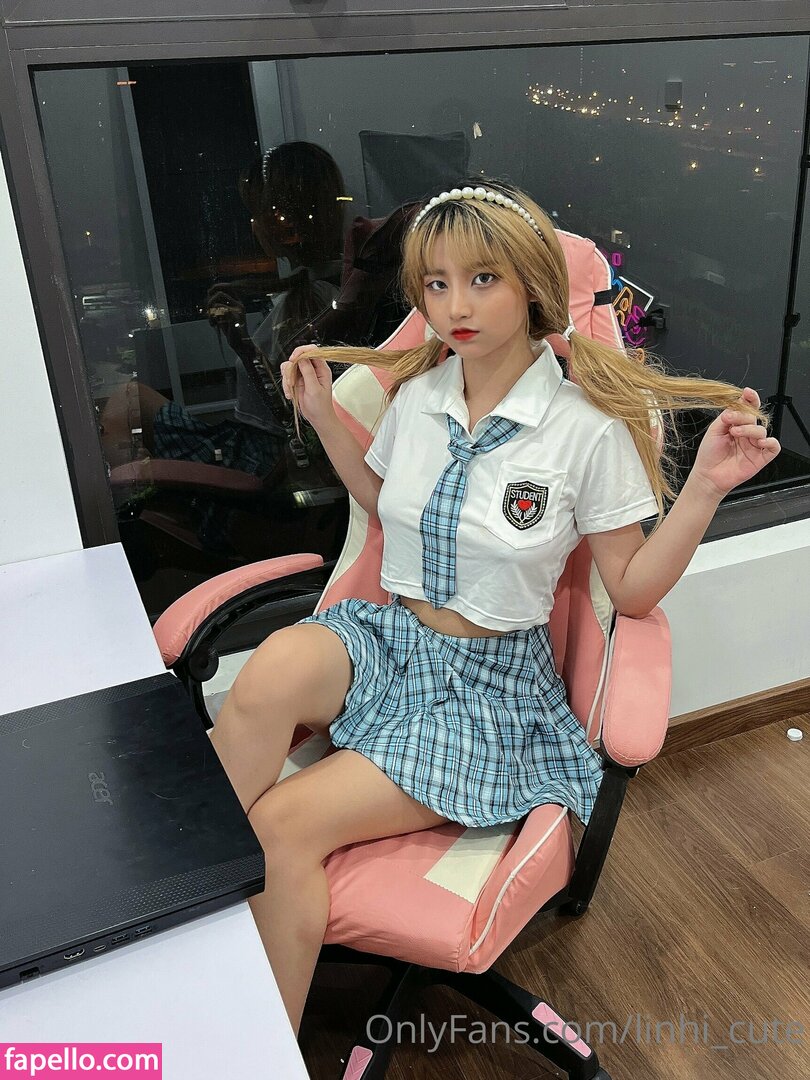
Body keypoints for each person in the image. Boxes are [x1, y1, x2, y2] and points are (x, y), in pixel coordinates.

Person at [209, 177, 780, 1036]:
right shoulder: (419, 397)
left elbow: (629, 588)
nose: (455, 306)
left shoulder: (585, 427)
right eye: (436, 284)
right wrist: (325, 416)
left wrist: (704, 489)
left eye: (483, 279)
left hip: (486, 694)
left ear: (531, 285)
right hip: (392, 639)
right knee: (269, 671)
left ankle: (249, 1048)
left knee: (282, 827)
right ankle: (180, 918)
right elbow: (386, 506)